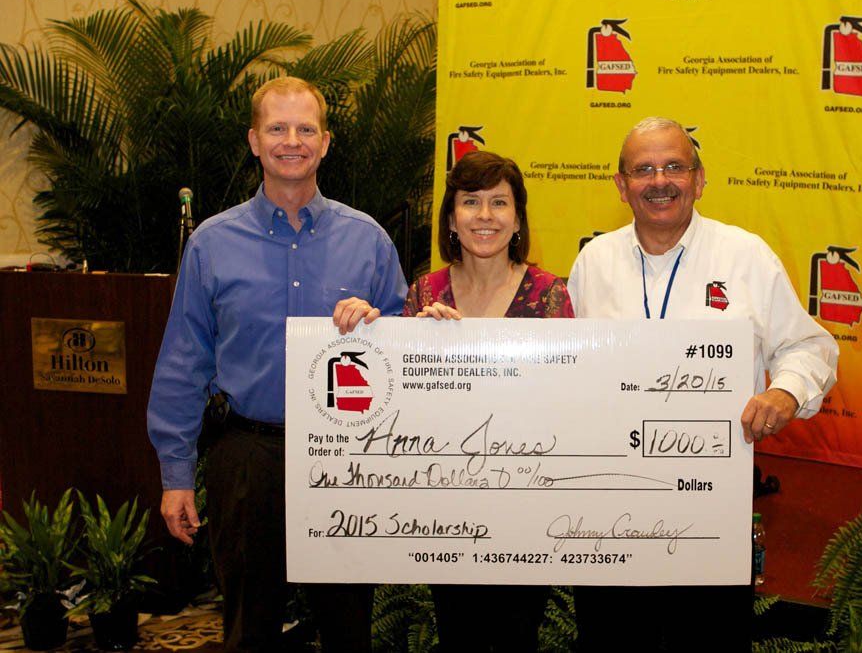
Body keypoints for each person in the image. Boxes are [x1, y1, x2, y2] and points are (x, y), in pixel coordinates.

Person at [148, 76, 407, 652]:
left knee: (347, 628)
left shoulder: (368, 241)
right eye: (277, 128)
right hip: (247, 457)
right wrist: (176, 475)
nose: (292, 141)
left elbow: (405, 355)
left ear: (326, 142)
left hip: (346, 456)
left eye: (306, 129)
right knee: (250, 628)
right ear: (254, 140)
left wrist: (380, 326)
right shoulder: (212, 244)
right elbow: (184, 363)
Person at [567, 117, 838, 651]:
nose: (659, 181)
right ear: (621, 185)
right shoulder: (593, 262)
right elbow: (565, 367)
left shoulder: (746, 256)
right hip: (608, 510)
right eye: (643, 170)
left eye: (674, 166)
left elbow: (810, 346)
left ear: (699, 178)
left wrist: (785, 392)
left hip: (711, 508)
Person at [405, 150, 574, 651]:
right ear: (450, 219)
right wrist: (420, 348)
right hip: (446, 507)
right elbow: (403, 411)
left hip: (527, 506)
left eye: (499, 203)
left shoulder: (550, 295)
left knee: (516, 637)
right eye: (470, 201)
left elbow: (569, 402)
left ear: (518, 219)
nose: (485, 216)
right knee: (457, 634)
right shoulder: (424, 294)